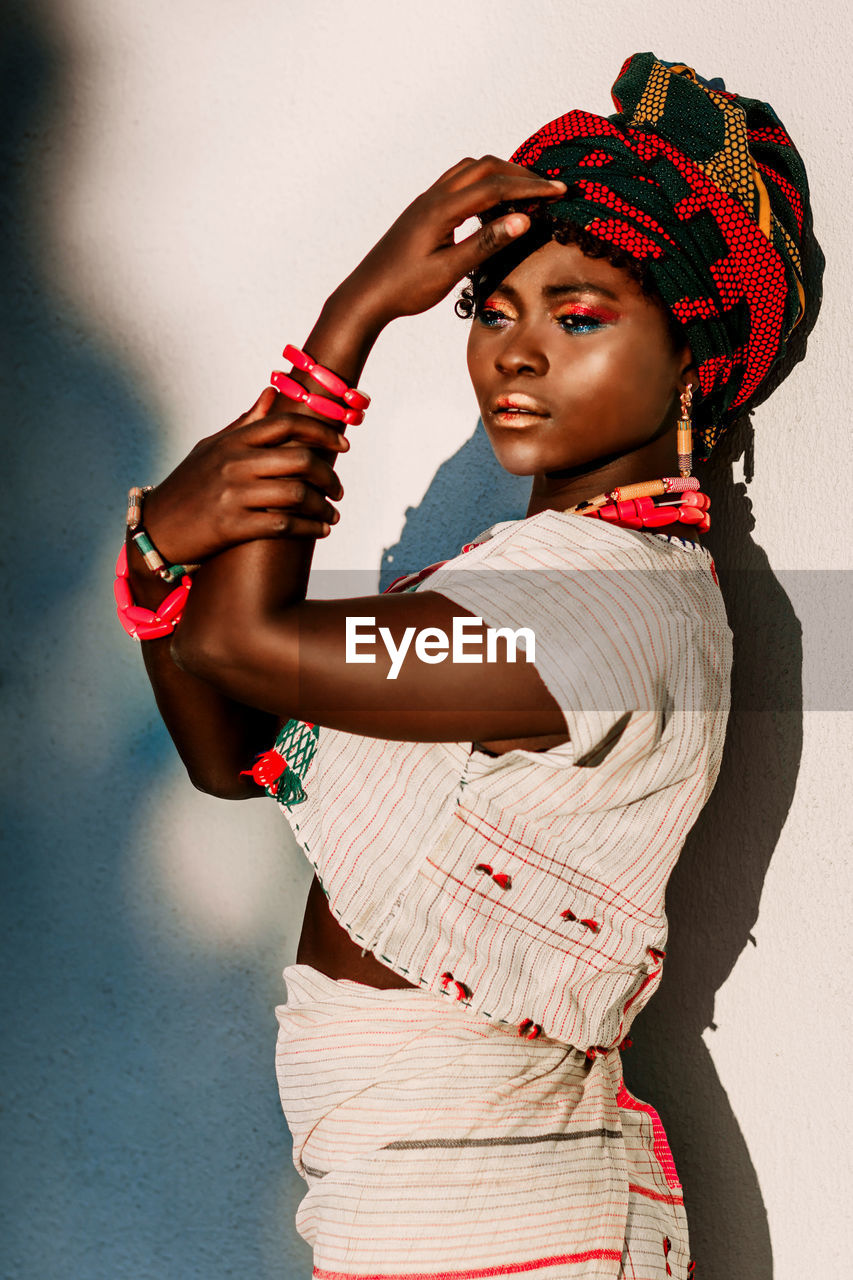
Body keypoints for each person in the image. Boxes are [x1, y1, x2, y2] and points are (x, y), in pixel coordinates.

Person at [115, 53, 821, 1280]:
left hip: (499, 1209)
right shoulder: (511, 579)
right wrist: (156, 554)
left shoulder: (611, 609)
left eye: (580, 314)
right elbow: (234, 750)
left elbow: (243, 645)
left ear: (691, 354)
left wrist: (348, 323)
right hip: (413, 1204)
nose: (517, 351)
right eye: (492, 310)